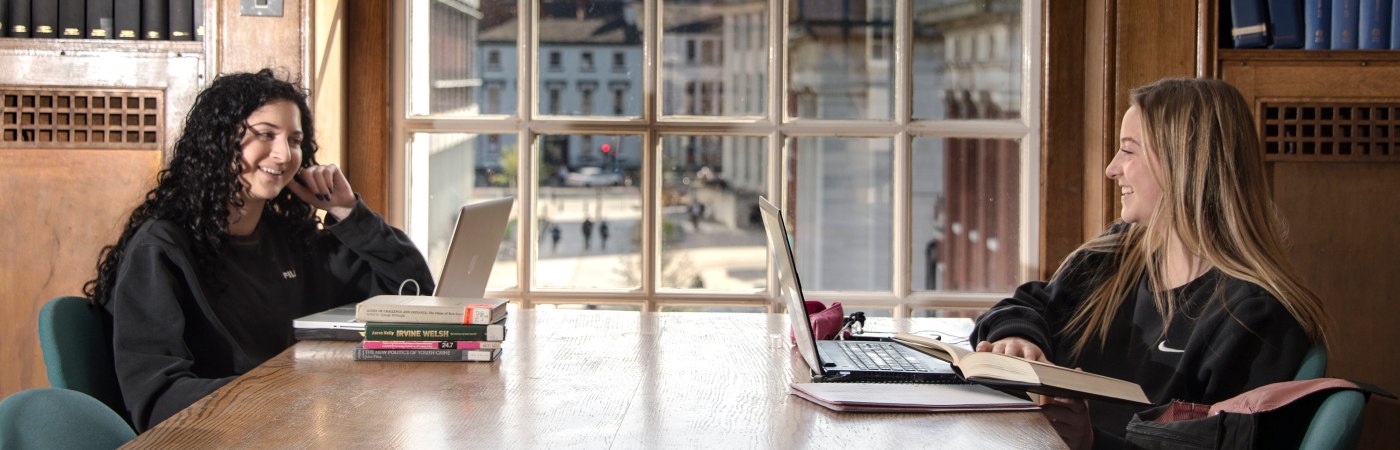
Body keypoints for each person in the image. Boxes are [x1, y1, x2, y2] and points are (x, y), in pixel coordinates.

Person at [970, 78, 1329, 449]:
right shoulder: (1114, 256)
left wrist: (1091, 443)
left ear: (1183, 162)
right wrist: (1017, 336)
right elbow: (1029, 303)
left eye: (1129, 151)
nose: (1112, 169)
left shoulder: (1256, 317)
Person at [83, 69, 433, 432]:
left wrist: (348, 212)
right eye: (265, 134)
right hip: (218, 436)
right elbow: (159, 399)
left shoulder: (292, 241)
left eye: (295, 140)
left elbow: (413, 291)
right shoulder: (161, 249)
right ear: (219, 140)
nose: (283, 154)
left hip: (293, 427)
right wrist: (290, 393)